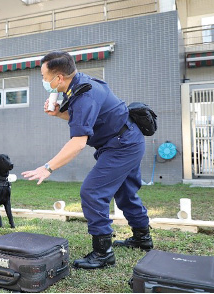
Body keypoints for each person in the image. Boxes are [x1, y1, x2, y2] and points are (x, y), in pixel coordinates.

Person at [22, 51, 153, 269]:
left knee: (92, 191)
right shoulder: (79, 85)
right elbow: (85, 117)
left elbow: (78, 142)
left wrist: (48, 167)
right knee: (125, 192)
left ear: (59, 78)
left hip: (122, 144)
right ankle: (142, 238)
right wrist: (58, 114)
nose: (44, 81)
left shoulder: (84, 94)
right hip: (127, 139)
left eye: (45, 77)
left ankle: (103, 253)